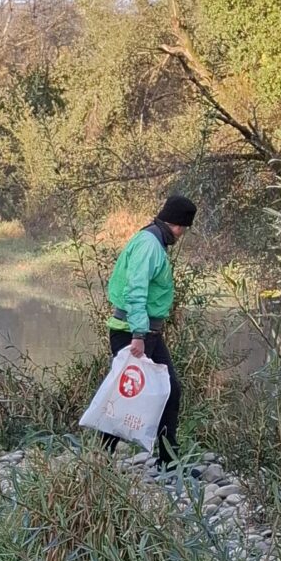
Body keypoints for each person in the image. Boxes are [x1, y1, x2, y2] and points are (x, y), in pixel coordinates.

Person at [103, 191, 196, 464]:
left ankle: (167, 460)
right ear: (177, 225)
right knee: (127, 394)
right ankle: (102, 457)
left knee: (163, 390)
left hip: (145, 331)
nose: (181, 236)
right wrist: (139, 335)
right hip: (133, 332)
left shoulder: (153, 240)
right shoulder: (149, 245)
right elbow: (136, 291)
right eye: (183, 229)